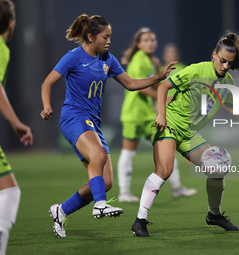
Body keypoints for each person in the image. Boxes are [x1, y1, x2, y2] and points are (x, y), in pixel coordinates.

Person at [40, 15, 176, 238]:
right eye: (106, 36)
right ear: (91, 37)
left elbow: (131, 84)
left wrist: (159, 77)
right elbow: (47, 82)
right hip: (74, 117)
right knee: (99, 156)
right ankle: (100, 204)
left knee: (106, 182)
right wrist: (46, 106)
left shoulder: (107, 58)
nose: (109, 40)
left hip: (92, 122)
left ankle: (61, 210)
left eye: (110, 36)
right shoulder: (73, 57)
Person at [131, 32, 239, 236]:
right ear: (214, 54)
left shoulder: (227, 81)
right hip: (169, 124)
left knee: (218, 168)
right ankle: (140, 219)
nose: (225, 66)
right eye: (222, 61)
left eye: (230, 63)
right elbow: (163, 87)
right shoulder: (195, 70)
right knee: (165, 170)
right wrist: (161, 114)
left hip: (189, 133)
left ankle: (214, 215)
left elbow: (230, 106)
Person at [117, 28, 197, 202]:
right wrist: (163, 97)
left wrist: (159, 69)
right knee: (128, 153)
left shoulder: (150, 61)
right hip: (134, 114)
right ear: (138, 44)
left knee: (168, 145)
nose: (150, 43)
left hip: (147, 114)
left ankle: (176, 188)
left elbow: (154, 84)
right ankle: (124, 192)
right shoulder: (139, 61)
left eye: (152, 40)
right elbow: (140, 87)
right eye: (146, 40)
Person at [0, 0, 33, 254]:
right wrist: (16, 121)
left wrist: (14, 121)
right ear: (11, 25)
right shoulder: (2, 49)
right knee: (10, 191)